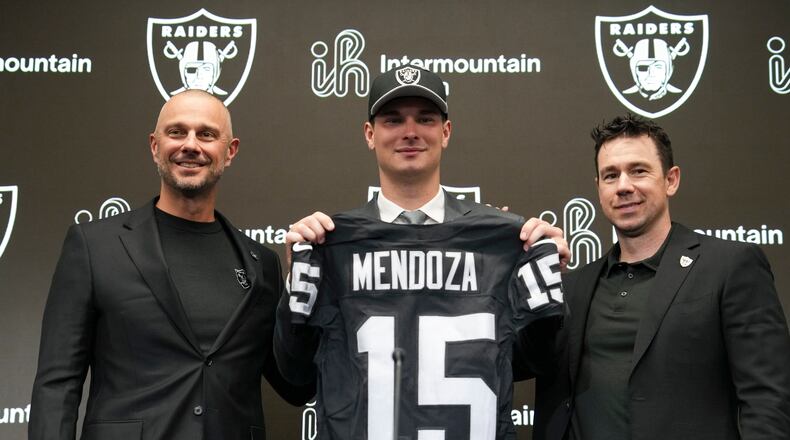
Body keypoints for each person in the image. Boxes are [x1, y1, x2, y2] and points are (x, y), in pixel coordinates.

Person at [275, 66, 569, 440]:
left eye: (425, 119)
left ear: (445, 132)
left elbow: (540, 361)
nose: (409, 132)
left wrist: (546, 281)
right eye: (393, 120)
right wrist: (296, 283)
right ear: (370, 134)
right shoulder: (329, 244)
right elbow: (293, 374)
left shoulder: (504, 241)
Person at [29, 90, 314, 440]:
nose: (190, 145)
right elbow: (57, 384)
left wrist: (300, 294)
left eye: (206, 134)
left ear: (230, 152)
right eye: (176, 132)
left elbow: (296, 386)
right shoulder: (93, 247)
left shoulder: (262, 264)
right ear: (154, 145)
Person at [530, 114, 790, 440]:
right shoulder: (571, 286)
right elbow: (514, 362)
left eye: (638, 170)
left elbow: (768, 401)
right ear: (598, 188)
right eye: (611, 176)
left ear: (671, 180)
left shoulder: (731, 266)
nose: (624, 186)